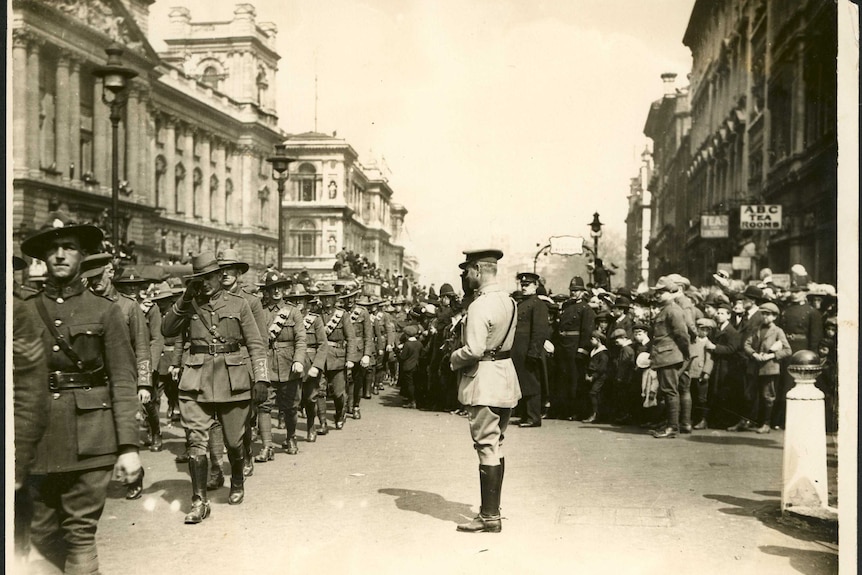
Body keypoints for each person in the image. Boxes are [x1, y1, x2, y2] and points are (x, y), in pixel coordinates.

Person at [20, 215, 142, 573]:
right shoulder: (23, 312)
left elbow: (122, 380)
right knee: (40, 533)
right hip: (38, 438)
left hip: (93, 437)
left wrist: (129, 447)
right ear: (43, 256)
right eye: (53, 249)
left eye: (69, 247)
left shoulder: (105, 312)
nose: (60, 255)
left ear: (82, 255)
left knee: (80, 533)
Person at [161, 252, 269, 524]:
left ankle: (237, 479)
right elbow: (167, 330)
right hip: (195, 380)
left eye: (209, 277)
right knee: (196, 441)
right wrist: (186, 298)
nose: (205, 283)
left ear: (220, 276)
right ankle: (199, 501)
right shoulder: (190, 303)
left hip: (233, 380)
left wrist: (261, 379)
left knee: (234, 441)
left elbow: (256, 343)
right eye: (199, 278)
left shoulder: (239, 303)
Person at [449, 249, 520, 533]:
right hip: (505, 378)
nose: (465, 277)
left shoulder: (479, 306)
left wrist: (453, 358)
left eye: (467, 271)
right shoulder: (509, 301)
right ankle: (493, 510)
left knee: (486, 447)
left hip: (484, 380)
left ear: (478, 270)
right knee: (496, 444)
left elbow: (475, 349)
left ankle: (489, 516)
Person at [217, 249, 268, 477]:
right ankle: (216, 465)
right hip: (216, 365)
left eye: (230, 269)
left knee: (242, 418)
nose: (225, 273)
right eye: (221, 269)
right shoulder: (211, 298)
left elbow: (259, 340)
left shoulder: (251, 301)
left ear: (238, 273)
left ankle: (246, 452)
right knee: (215, 418)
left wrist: (259, 375)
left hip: (243, 364)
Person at [257, 271, 307, 458]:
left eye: (279, 287)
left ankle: (291, 437)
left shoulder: (293, 311)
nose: (277, 291)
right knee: (264, 405)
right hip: (266, 362)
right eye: (272, 288)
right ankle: (267, 446)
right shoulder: (259, 311)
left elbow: (301, 339)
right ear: (267, 291)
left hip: (289, 364)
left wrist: (298, 360)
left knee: (291, 406)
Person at [284, 283, 329, 442]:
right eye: (294, 300)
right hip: (290, 363)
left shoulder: (315, 319)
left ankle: (311, 426)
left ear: (306, 302)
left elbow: (323, 345)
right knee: (292, 402)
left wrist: (317, 366)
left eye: (301, 300)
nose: (298, 303)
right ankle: (291, 435)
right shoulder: (285, 319)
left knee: (310, 399)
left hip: (310, 364)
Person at [648, 276, 691, 439]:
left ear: (672, 292)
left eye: (661, 292)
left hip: (669, 355)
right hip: (664, 355)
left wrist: (685, 353)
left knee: (670, 391)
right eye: (657, 292)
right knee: (668, 390)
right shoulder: (666, 310)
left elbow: (682, 334)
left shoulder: (673, 310)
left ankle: (673, 427)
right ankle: (670, 424)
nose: (657, 295)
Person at [741, 302, 791, 434]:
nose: (765, 317)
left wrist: (771, 356)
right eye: (763, 314)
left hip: (769, 368)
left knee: (768, 396)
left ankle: (766, 423)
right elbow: (747, 344)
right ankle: (747, 421)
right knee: (749, 394)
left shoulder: (778, 331)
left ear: (774, 316)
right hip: (754, 366)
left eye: (768, 314)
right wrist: (754, 354)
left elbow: (787, 350)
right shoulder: (756, 329)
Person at [512, 272, 551, 428]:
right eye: (522, 285)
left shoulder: (538, 305)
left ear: (536, 286)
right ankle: (525, 415)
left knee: (532, 383)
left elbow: (539, 331)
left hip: (529, 350)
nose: (524, 287)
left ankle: (533, 417)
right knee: (523, 383)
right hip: (519, 351)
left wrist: (533, 352)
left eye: (527, 285)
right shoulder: (522, 304)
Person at [554, 276, 595, 420]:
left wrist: (582, 350)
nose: (573, 293)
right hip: (563, 347)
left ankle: (577, 411)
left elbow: (586, 332)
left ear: (582, 292)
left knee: (576, 381)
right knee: (563, 379)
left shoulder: (586, 309)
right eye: (572, 290)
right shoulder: (567, 306)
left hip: (575, 347)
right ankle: (565, 409)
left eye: (577, 290)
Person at [316, 283, 356, 432]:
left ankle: (340, 414)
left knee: (339, 393)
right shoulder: (315, 314)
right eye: (324, 297)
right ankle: (322, 423)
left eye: (330, 298)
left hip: (338, 358)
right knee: (320, 391)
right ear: (321, 298)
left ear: (334, 299)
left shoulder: (342, 314)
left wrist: (350, 358)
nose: (327, 300)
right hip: (319, 357)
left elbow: (351, 337)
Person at [583, 330, 609, 423]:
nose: (590, 341)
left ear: (598, 340)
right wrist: (587, 374)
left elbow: (602, 368)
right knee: (592, 394)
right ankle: (593, 414)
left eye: (592, 339)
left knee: (593, 393)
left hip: (599, 377)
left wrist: (593, 376)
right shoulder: (593, 351)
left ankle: (595, 415)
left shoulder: (603, 353)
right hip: (592, 376)